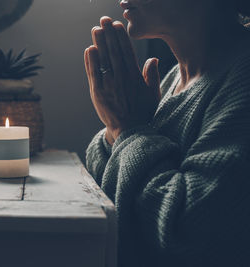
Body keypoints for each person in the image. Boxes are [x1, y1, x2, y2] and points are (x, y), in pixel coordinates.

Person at [84, 0, 250, 266]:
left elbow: (190, 231)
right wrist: (117, 131)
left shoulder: (242, 79)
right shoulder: (174, 78)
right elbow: (101, 182)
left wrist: (128, 130)